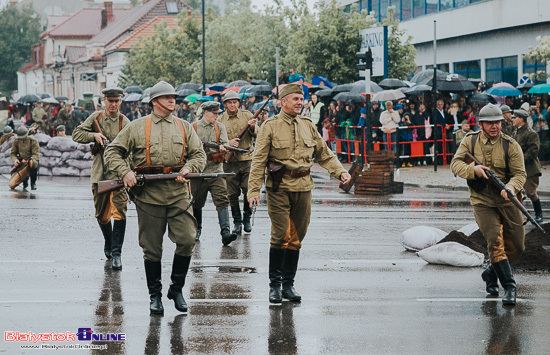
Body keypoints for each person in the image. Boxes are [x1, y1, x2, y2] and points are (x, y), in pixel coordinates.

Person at [104, 81, 206, 315]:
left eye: (174, 97)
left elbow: (198, 154)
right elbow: (113, 152)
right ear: (154, 102)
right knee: (152, 249)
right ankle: (155, 296)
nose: (173, 100)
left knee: (188, 239)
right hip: (149, 197)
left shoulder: (184, 127)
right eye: (167, 97)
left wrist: (188, 168)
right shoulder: (138, 127)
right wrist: (125, 172)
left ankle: (176, 288)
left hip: (178, 194)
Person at [247, 84, 351, 304]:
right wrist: (253, 190)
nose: (299, 102)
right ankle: (274, 286)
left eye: (301, 99)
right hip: (279, 187)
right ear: (283, 101)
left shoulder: (307, 125)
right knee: (281, 234)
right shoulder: (270, 126)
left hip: (304, 186)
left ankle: (288, 285)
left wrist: (340, 171)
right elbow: (259, 160)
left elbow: (324, 153)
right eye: (294, 98)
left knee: (297, 237)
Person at [450, 103, 526, 306]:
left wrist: (510, 187)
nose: (495, 126)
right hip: (482, 201)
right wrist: (473, 169)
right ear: (481, 124)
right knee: (494, 240)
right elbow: (455, 163)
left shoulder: (511, 145)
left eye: (498, 122)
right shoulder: (470, 140)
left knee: (518, 246)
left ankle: (490, 274)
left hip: (507, 199)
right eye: (490, 123)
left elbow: (520, 174)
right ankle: (509, 286)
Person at [72, 87, 131, 271]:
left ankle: (116, 253)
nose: (113, 104)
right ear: (103, 100)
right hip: (99, 174)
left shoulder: (125, 122)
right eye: (110, 101)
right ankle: (108, 241)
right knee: (101, 214)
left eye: (117, 101)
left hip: (118, 175)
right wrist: (94, 135)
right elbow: (76, 134)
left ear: (120, 101)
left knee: (119, 212)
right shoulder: (96, 118)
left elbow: (133, 147)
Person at [191, 101, 238, 245]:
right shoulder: (193, 127)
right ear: (206, 113)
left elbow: (224, 143)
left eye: (218, 113)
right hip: (199, 171)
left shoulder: (220, 127)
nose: (217, 116)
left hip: (216, 170)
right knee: (196, 202)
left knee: (222, 200)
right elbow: (189, 148)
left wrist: (224, 148)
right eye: (214, 113)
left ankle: (225, 233)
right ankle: (197, 229)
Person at [218, 90, 257, 235]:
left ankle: (247, 218)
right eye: (230, 103)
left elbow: (257, 133)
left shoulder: (247, 115)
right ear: (225, 104)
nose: (233, 105)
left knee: (248, 190)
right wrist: (228, 143)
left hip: (247, 160)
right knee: (232, 193)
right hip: (230, 162)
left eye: (235, 102)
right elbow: (217, 140)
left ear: (238, 103)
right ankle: (237, 222)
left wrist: (252, 126)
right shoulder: (220, 120)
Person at [512, 108, 543, 223]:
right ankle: (517, 215)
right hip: (518, 169)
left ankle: (539, 214)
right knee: (514, 191)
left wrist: (519, 159)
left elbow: (533, 151)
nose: (513, 120)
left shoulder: (531, 133)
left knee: (530, 192)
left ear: (521, 119)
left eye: (515, 118)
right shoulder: (515, 132)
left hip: (530, 169)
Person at [10, 126, 40, 190]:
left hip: (31, 160)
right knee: (11, 184)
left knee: (32, 163)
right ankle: (24, 181)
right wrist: (15, 160)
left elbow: (36, 154)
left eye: (23, 136)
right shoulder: (16, 141)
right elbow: (13, 153)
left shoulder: (33, 141)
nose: (21, 138)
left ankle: (33, 183)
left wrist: (29, 160)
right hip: (21, 162)